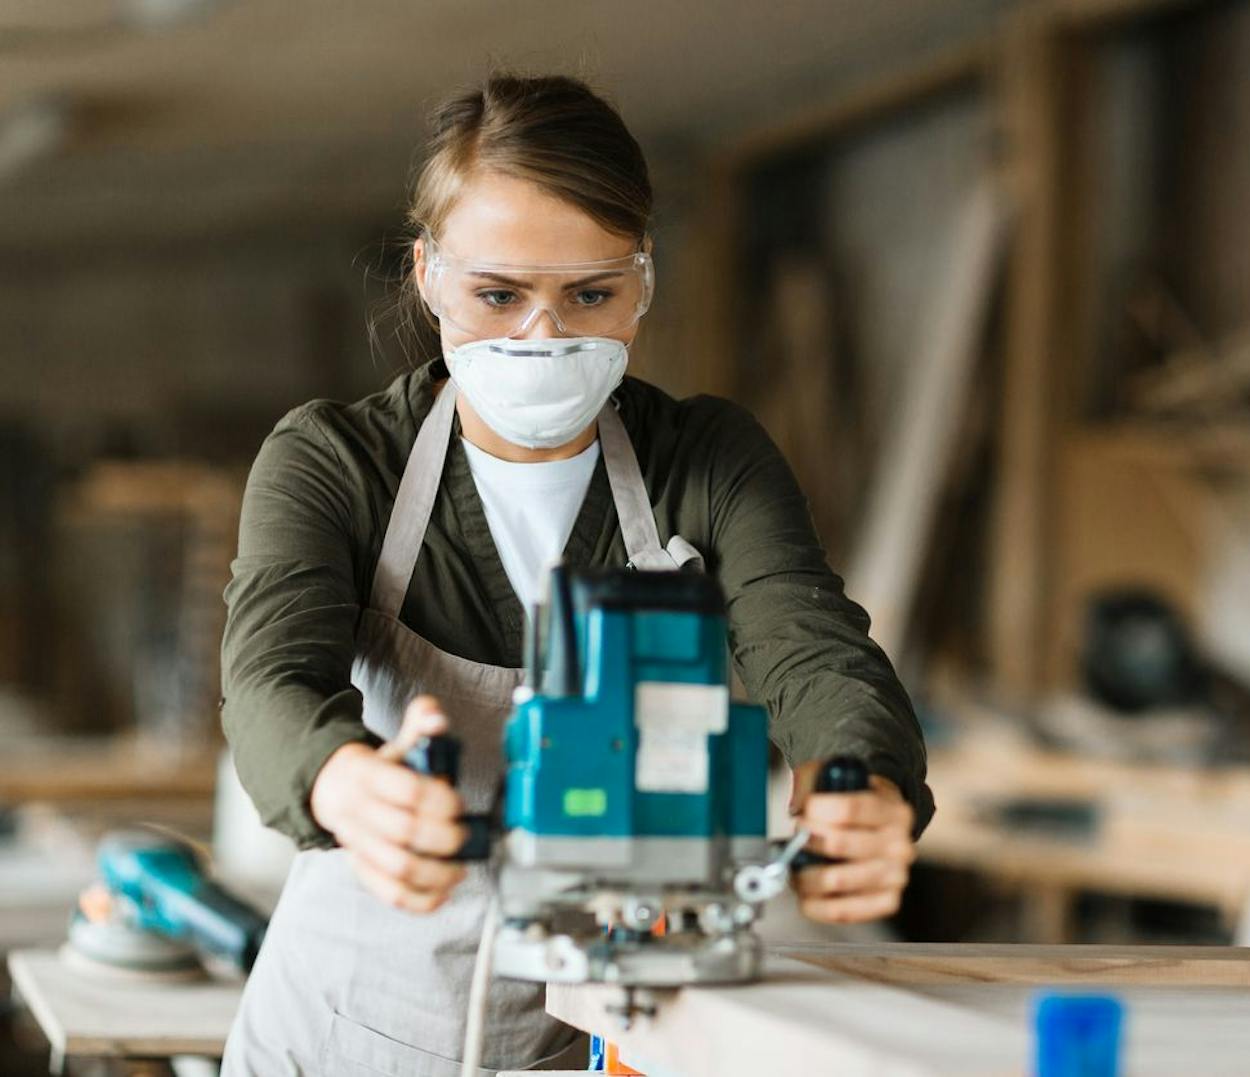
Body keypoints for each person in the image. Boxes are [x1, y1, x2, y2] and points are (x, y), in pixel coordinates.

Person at [218, 73, 934, 1074]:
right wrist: (344, 784)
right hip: (347, 1031)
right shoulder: (336, 462)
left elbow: (814, 652)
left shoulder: (706, 461)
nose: (541, 337)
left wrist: (860, 785)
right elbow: (268, 682)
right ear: (426, 274)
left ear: (643, 282)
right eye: (496, 294)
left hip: (601, 1031)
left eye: (588, 294)